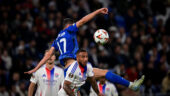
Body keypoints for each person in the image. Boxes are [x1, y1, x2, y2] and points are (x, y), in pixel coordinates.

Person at [25, 8, 144, 91]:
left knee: (97, 77)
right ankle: (130, 85)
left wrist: (35, 68)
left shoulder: (57, 39)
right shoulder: (69, 30)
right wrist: (98, 11)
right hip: (75, 66)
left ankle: (131, 85)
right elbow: (83, 21)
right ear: (69, 25)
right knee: (104, 73)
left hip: (67, 71)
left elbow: (46, 56)